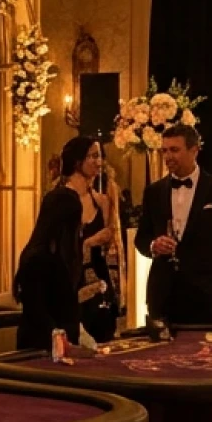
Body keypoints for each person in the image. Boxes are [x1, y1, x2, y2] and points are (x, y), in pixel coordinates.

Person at [135, 125, 212, 325]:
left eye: (174, 150)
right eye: (165, 150)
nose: (168, 156)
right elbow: (141, 239)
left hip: (203, 295)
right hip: (162, 293)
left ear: (194, 150)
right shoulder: (153, 192)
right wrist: (153, 246)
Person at [58, 135, 122, 341]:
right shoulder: (60, 200)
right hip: (71, 282)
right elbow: (56, 247)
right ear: (78, 161)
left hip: (99, 282)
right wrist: (88, 243)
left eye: (100, 156)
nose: (99, 162)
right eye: (93, 156)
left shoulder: (101, 201)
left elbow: (109, 247)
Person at [14, 188, 84, 351]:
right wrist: (58, 335)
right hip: (40, 346)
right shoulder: (36, 258)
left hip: (62, 343)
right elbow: (36, 310)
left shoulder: (62, 255)